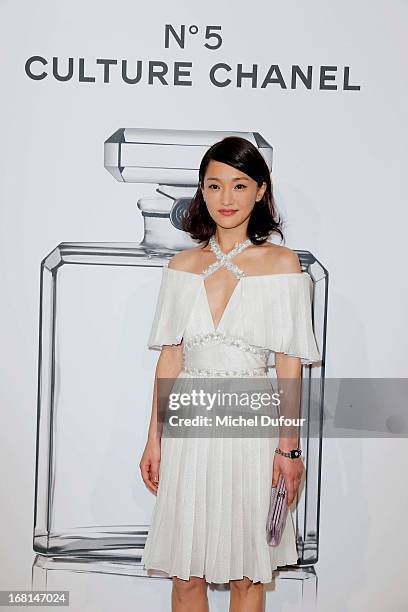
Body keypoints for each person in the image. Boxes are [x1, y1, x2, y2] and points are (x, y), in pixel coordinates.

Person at [140, 136, 321, 612]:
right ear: (201, 191)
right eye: (214, 185)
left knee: (246, 576)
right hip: (189, 428)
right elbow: (170, 361)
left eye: (239, 185)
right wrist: (154, 439)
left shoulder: (283, 265)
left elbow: (288, 364)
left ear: (260, 191)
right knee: (185, 575)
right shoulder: (181, 266)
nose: (226, 199)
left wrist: (289, 447)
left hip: (252, 431)